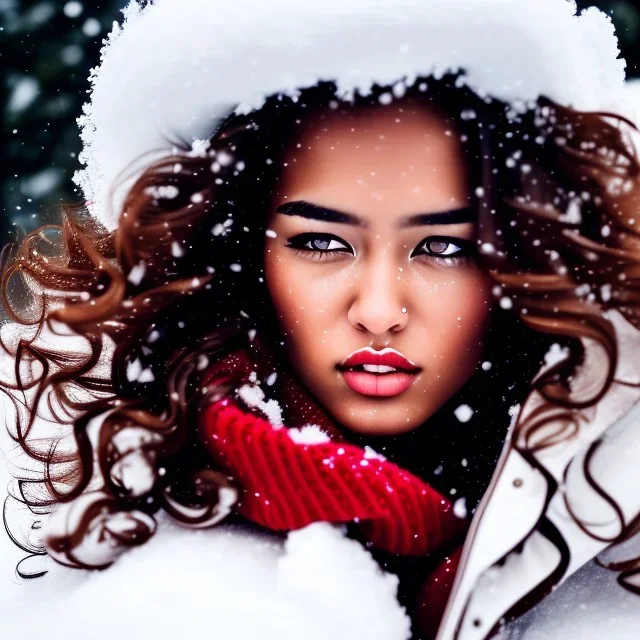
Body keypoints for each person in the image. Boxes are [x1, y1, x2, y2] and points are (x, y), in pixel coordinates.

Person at [2, 1, 640, 638]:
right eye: (321, 243)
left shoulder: (622, 538)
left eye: (444, 248)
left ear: (522, 255)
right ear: (238, 251)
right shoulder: (65, 498)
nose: (380, 313)